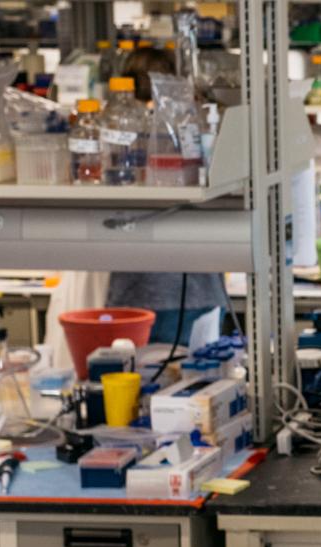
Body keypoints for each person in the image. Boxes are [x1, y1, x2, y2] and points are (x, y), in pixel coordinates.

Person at [106, 46, 229, 346]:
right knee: (199, 382)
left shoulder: (117, 133)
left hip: (136, 294)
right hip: (198, 290)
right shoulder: (191, 127)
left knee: (134, 382)